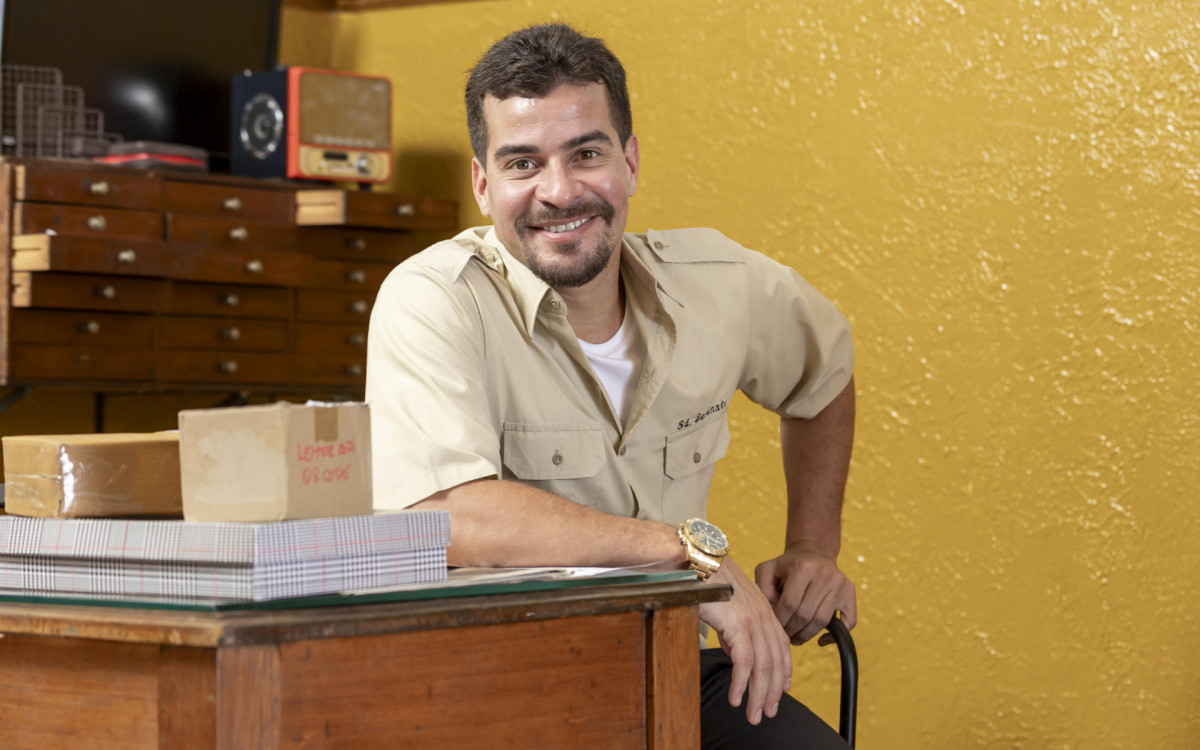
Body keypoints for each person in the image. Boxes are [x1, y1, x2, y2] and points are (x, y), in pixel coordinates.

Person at [366, 23, 857, 749]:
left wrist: (813, 546)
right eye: (522, 163)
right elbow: (450, 514)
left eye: (585, 154)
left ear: (629, 161)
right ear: (482, 184)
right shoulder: (432, 300)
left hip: (670, 667)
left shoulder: (723, 285)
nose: (559, 191)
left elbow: (826, 379)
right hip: (494, 693)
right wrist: (692, 554)